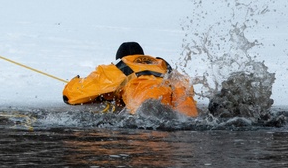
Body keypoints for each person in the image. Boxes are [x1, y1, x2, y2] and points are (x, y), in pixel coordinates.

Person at [62, 41, 197, 116]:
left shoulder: (120, 67)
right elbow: (183, 82)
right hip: (181, 101)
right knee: (185, 119)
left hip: (147, 103)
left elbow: (75, 94)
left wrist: (72, 84)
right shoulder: (162, 64)